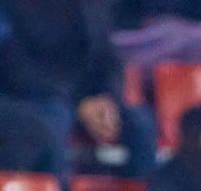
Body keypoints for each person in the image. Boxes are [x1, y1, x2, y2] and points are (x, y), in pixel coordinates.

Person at [0, 0, 157, 179]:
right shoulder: (15, 6)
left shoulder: (94, 6)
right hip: (29, 97)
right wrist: (78, 105)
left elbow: (110, 61)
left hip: (85, 99)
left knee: (141, 123)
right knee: (54, 120)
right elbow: (15, 67)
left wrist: (107, 98)